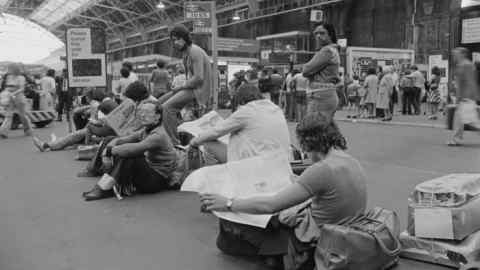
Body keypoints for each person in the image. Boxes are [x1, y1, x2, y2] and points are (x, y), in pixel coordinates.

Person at [199, 113, 367, 268]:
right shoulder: (350, 161)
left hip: (315, 242)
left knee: (235, 221)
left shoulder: (322, 170)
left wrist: (228, 203)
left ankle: (276, 256)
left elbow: (270, 205)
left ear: (307, 143)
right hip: (345, 235)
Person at [82, 102, 179, 201]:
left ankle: (107, 188)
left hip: (157, 181)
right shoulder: (146, 130)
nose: (142, 115)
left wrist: (110, 151)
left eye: (147, 112)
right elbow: (122, 139)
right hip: (149, 173)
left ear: (157, 116)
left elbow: (136, 148)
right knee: (111, 139)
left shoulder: (158, 135)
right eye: (141, 112)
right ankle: (106, 184)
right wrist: (108, 148)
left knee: (131, 155)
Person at [189, 84, 291, 164]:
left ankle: (217, 179)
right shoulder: (275, 109)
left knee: (208, 143)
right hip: (281, 163)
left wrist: (194, 142)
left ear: (241, 100)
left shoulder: (248, 110)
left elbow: (216, 131)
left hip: (255, 165)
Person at [157, 24, 212, 145]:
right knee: (158, 103)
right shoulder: (186, 54)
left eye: (178, 39)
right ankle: (177, 131)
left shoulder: (194, 52)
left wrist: (181, 87)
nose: (175, 42)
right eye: (173, 40)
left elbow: (199, 78)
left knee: (167, 108)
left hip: (198, 91)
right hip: (192, 88)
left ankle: (173, 143)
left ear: (185, 38)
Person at [32, 89, 118, 152]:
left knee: (73, 135)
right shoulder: (108, 103)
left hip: (103, 129)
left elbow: (101, 121)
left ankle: (46, 145)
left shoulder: (98, 105)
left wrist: (93, 122)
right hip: (109, 129)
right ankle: (50, 144)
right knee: (73, 137)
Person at [302, 22, 340, 120]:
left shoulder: (327, 50)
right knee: (324, 131)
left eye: (322, 33)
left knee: (313, 129)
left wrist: (306, 68)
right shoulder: (331, 50)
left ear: (330, 35)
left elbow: (306, 70)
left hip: (320, 95)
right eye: (316, 33)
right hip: (324, 94)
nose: (318, 36)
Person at [447, 47, 480, 146]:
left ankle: (456, 139)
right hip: (464, 96)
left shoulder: (466, 65)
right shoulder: (461, 65)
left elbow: (470, 81)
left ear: (462, 54)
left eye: (455, 54)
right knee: (460, 119)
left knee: (471, 121)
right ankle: (456, 139)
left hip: (466, 96)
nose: (454, 56)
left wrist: (468, 96)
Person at [0, 63, 33, 138]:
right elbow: (7, 87)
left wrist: (13, 93)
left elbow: (22, 89)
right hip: (10, 98)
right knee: (8, 115)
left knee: (22, 115)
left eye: (11, 69)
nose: (10, 70)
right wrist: (5, 93)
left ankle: (28, 130)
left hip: (19, 97)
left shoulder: (21, 78)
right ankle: (3, 132)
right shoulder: (9, 77)